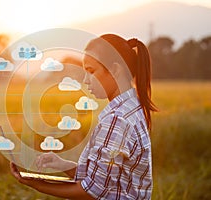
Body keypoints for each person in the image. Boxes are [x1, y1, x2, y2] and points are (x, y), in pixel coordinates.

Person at [10, 33, 158, 199]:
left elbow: (92, 192)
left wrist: (38, 185)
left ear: (116, 69)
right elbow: (106, 178)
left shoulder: (117, 119)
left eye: (91, 71)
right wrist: (63, 164)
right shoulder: (132, 108)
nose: (86, 80)